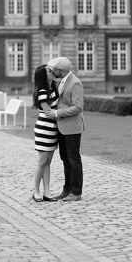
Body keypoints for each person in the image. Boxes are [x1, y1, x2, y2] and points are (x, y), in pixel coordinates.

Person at [46, 57, 85, 202]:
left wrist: (57, 114)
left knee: (73, 159)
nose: (52, 71)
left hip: (72, 127)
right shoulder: (60, 81)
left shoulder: (75, 83)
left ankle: (76, 192)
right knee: (65, 159)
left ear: (61, 71)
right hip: (62, 127)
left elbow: (78, 107)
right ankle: (66, 190)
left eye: (54, 70)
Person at [31, 65, 58, 202]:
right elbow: (48, 113)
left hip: (52, 129)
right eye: (49, 71)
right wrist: (63, 115)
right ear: (43, 75)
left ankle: (47, 192)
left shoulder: (53, 88)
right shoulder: (42, 91)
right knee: (42, 162)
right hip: (44, 128)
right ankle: (36, 191)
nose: (52, 72)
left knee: (48, 162)